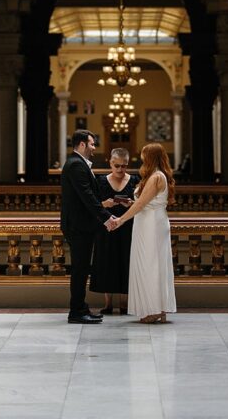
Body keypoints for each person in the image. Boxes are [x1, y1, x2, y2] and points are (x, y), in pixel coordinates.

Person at [109, 142, 177, 324]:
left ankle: (154, 309)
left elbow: (141, 205)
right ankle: (158, 308)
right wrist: (130, 204)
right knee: (152, 264)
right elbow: (142, 203)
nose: (140, 159)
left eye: (144, 156)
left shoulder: (156, 177)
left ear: (151, 158)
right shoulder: (156, 176)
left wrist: (120, 220)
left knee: (151, 265)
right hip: (149, 221)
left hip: (152, 224)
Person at [60, 129, 113, 324]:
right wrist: (106, 218)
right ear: (82, 144)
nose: (94, 147)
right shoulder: (76, 165)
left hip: (81, 225)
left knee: (82, 268)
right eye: (91, 143)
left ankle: (81, 308)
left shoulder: (78, 163)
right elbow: (87, 197)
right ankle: (76, 311)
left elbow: (90, 196)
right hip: (78, 226)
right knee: (80, 269)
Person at [90, 147, 137, 315]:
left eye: (123, 166)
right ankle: (108, 303)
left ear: (127, 164)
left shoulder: (134, 180)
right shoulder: (100, 181)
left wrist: (130, 204)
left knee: (126, 260)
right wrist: (105, 204)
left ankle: (124, 303)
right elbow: (92, 204)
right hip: (105, 227)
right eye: (116, 165)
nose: (119, 170)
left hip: (127, 226)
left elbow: (141, 204)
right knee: (106, 261)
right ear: (110, 163)